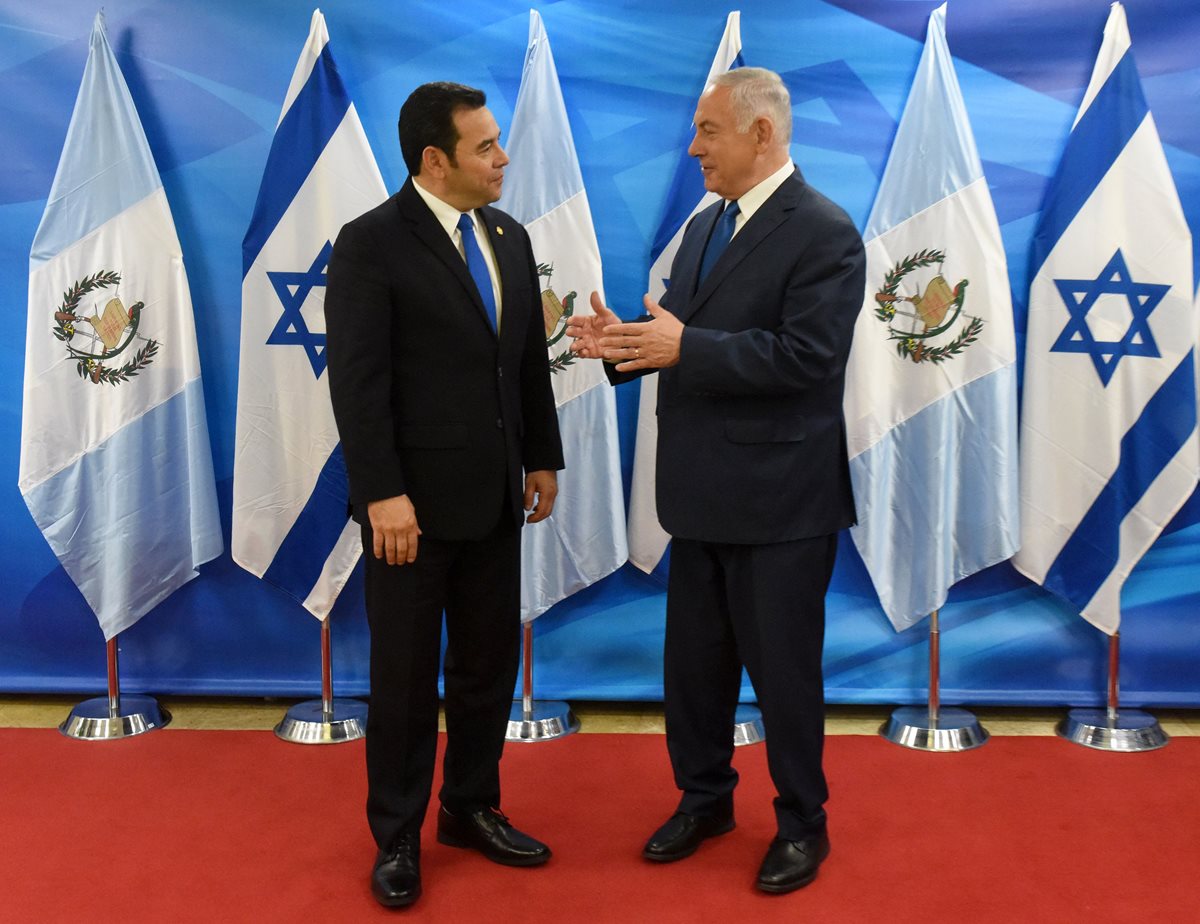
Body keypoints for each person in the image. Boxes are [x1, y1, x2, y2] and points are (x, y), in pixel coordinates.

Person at [567, 67, 865, 894]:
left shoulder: (825, 231)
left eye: (708, 131)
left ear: (761, 134)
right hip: (698, 495)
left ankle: (804, 822)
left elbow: (808, 360)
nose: (694, 148)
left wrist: (681, 348)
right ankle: (706, 801)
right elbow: (677, 329)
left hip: (781, 504)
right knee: (694, 674)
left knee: (784, 677)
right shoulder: (706, 226)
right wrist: (623, 340)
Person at [324, 81, 564, 909]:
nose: (503, 158)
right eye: (486, 146)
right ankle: (395, 834)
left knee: (486, 668)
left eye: (499, 143)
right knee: (401, 677)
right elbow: (359, 386)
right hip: (410, 515)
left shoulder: (508, 234)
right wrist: (382, 493)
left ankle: (470, 806)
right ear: (436, 160)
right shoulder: (370, 243)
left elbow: (524, 361)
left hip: (498, 500)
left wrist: (542, 457)